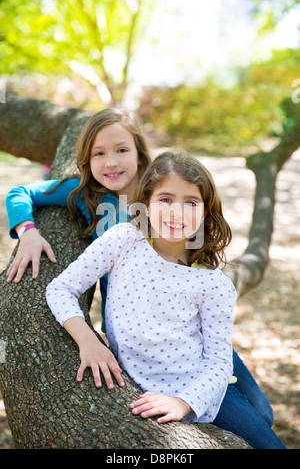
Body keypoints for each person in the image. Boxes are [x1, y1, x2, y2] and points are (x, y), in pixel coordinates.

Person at [5, 110, 284, 447]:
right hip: (136, 320)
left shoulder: (173, 189)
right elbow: (21, 194)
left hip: (187, 322)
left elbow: (199, 264)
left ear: (140, 152)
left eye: (122, 150)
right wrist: (28, 231)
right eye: (99, 153)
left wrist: (205, 274)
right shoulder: (88, 200)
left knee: (261, 413)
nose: (111, 162)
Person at [46, 150, 237, 425]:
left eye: (191, 202)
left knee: (264, 434)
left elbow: (219, 363)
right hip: (134, 385)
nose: (176, 211)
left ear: (205, 212)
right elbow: (60, 289)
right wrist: (87, 340)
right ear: (146, 204)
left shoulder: (213, 283)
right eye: (165, 199)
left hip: (193, 393)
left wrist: (182, 403)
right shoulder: (123, 241)